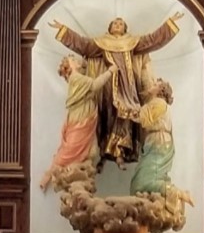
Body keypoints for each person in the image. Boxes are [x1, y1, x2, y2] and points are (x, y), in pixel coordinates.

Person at [50, 10, 181, 165]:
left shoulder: (133, 42)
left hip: (128, 87)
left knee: (127, 115)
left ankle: (122, 150)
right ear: (109, 28)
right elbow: (83, 44)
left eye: (121, 24)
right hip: (107, 87)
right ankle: (108, 152)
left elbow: (153, 40)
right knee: (109, 115)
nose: (118, 25)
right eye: (115, 23)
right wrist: (64, 31)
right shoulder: (101, 43)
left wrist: (169, 24)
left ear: (125, 29)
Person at [40, 55, 112, 191]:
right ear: (69, 66)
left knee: (91, 151)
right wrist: (110, 71)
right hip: (80, 119)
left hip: (86, 118)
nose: (77, 60)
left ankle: (82, 179)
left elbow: (89, 85)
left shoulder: (79, 79)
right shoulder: (76, 78)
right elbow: (95, 85)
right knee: (69, 150)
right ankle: (49, 173)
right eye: (73, 59)